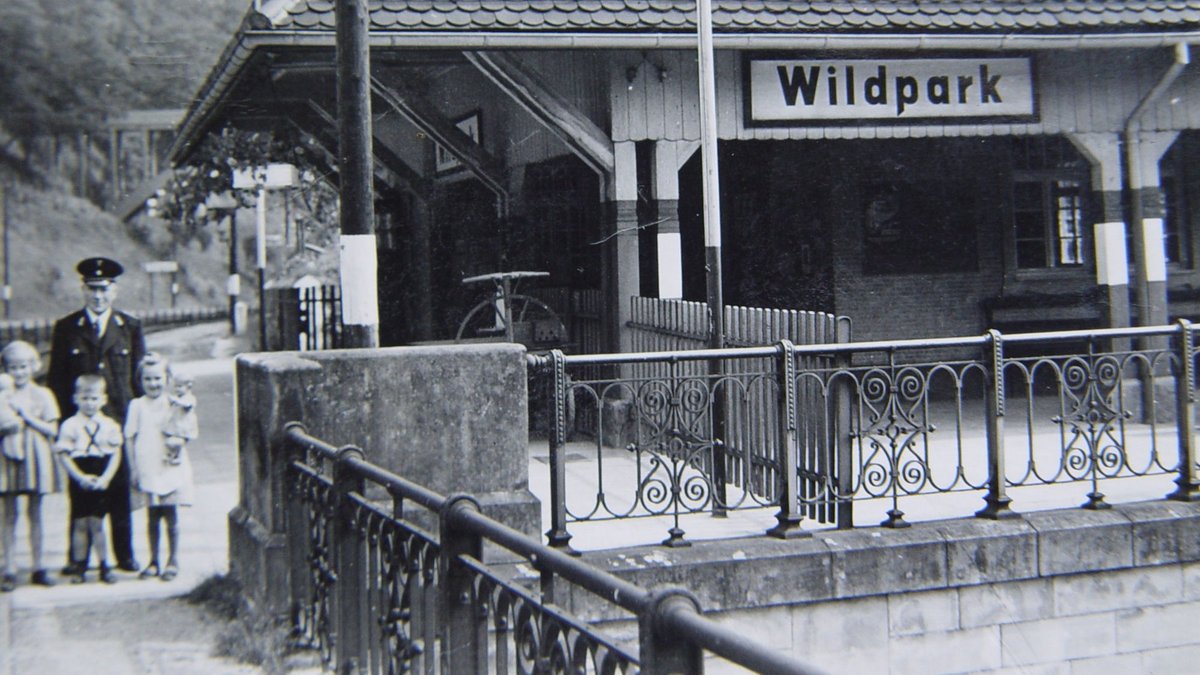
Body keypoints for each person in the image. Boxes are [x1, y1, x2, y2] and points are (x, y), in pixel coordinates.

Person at [48, 257, 144, 574]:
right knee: (81, 493)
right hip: (79, 426)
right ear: (83, 289)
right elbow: (57, 381)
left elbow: (138, 381)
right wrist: (64, 426)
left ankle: (124, 555)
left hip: (116, 424)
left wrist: (138, 426)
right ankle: (78, 559)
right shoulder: (66, 329)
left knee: (118, 490)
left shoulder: (129, 328)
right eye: (91, 289)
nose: (98, 296)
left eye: (103, 289)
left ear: (114, 291)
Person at [125, 354, 194, 581]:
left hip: (168, 465)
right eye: (147, 379)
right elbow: (130, 438)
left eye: (158, 378)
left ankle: (173, 560)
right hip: (147, 467)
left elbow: (187, 430)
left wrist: (179, 444)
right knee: (152, 516)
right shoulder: (136, 406)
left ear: (167, 378)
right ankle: (153, 560)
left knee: (171, 514)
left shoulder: (175, 403)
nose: (153, 384)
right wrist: (133, 468)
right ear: (140, 381)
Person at [0, 342, 62, 591]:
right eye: (13, 367)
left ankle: (39, 566)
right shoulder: (2, 394)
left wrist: (27, 417)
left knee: (35, 513)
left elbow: (52, 429)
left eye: (24, 366)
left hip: (36, 455)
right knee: (9, 514)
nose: (19, 372)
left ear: (34, 366)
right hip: (7, 455)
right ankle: (9, 568)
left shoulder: (43, 395)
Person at [55, 375, 122, 584]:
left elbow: (115, 453)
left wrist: (106, 478)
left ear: (103, 399)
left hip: (101, 471)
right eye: (85, 398)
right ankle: (79, 565)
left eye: (94, 398)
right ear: (76, 399)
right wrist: (78, 477)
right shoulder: (70, 425)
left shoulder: (109, 425)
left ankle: (105, 565)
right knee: (80, 523)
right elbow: (63, 454)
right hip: (80, 472)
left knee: (98, 523)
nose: (90, 403)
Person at [162, 372, 197, 466]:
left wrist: (176, 401)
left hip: (184, 426)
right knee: (170, 439)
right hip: (176, 424)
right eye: (175, 386)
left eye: (180, 386)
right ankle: (171, 455)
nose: (176, 389)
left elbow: (186, 405)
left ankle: (177, 456)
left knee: (177, 442)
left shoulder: (190, 398)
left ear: (188, 387)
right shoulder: (178, 397)